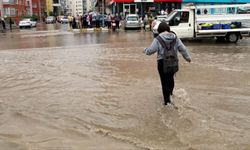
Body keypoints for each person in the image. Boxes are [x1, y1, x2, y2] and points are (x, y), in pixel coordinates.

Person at [144, 22, 191, 106]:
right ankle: (170, 94)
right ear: (168, 29)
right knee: (171, 78)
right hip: (173, 61)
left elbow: (151, 50)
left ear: (159, 30)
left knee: (164, 81)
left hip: (162, 62)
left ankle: (167, 103)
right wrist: (188, 58)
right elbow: (183, 49)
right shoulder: (175, 38)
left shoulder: (158, 39)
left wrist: (145, 50)